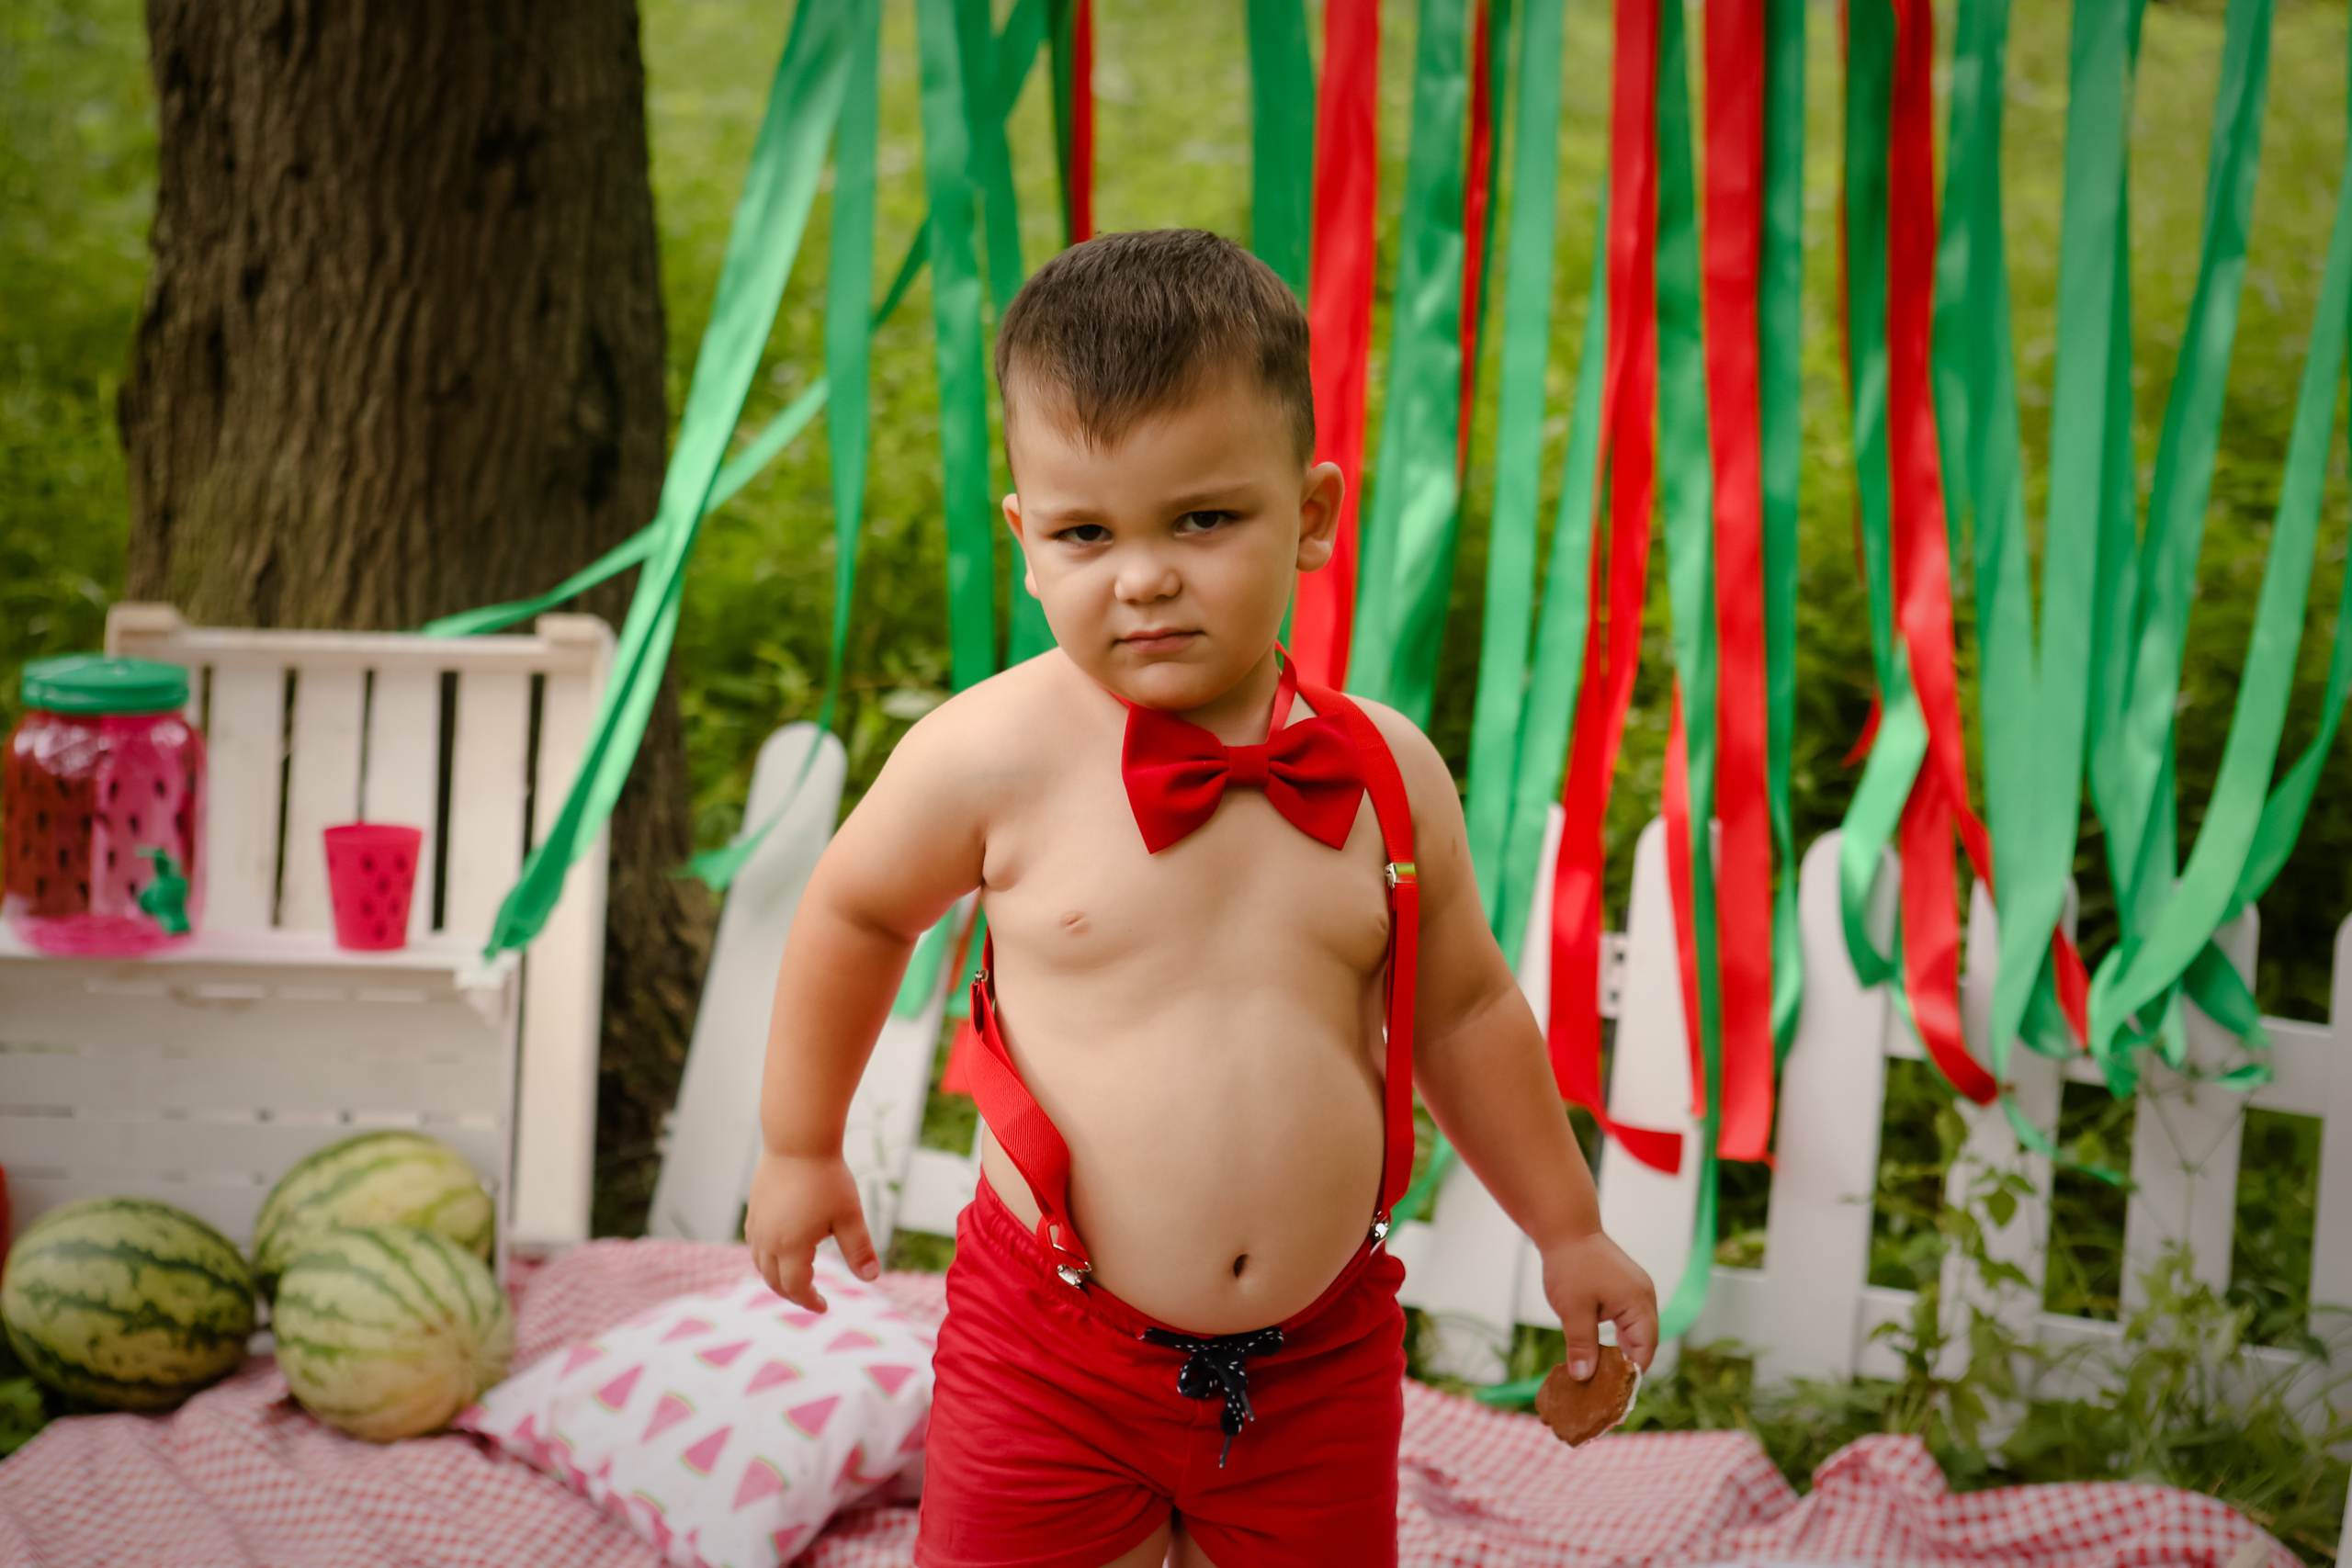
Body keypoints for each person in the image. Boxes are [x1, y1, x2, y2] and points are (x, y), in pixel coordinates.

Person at [746, 228, 1657, 1568]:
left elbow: (1464, 1012)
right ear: (1026, 539)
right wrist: (799, 1146)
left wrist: (1568, 1228)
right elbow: (856, 913)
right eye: (1085, 532)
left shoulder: (1384, 770)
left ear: (1314, 514)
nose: (1144, 575)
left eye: (1204, 519)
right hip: (1053, 1353)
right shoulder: (993, 755)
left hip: (1317, 1364)